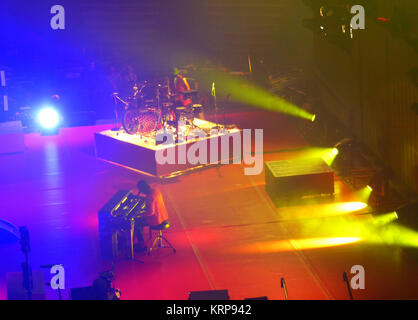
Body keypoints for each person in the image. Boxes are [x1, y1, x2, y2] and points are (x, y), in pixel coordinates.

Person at [134, 180, 169, 251]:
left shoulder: (149, 197)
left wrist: (138, 214)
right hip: (163, 216)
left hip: (156, 220)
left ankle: (142, 244)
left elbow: (150, 212)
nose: (140, 193)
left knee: (137, 223)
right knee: (141, 221)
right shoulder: (156, 190)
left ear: (143, 189)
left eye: (140, 191)